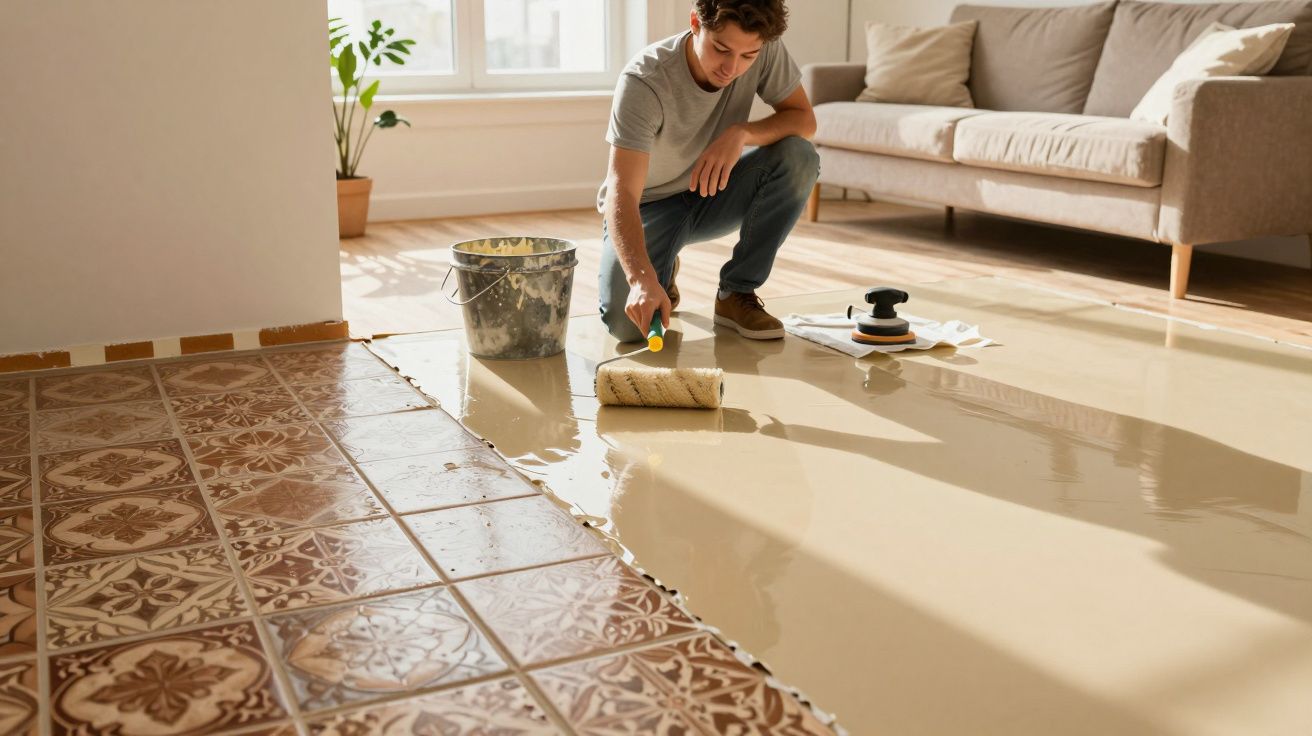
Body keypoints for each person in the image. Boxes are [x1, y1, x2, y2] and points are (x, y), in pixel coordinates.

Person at [597, 0, 819, 343]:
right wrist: (642, 279)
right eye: (721, 49)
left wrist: (742, 133)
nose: (732, 67)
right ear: (695, 23)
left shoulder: (764, 47)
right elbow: (621, 191)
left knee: (799, 155)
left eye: (748, 56)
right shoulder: (644, 80)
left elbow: (804, 119)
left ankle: (736, 293)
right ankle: (660, 271)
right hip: (648, 207)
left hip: (712, 193)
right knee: (627, 327)